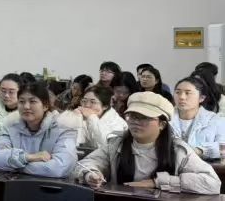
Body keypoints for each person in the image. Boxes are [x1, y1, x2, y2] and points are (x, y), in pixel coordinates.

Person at [74, 92, 220, 194]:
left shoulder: (177, 150)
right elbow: (86, 163)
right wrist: (90, 174)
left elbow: (212, 183)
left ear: (162, 124)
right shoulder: (116, 144)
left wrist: (158, 182)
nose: (135, 122)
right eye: (132, 116)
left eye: (144, 118)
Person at [0, 80, 77, 178]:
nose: (26, 106)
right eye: (21, 102)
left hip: (50, 185)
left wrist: (14, 164)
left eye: (32, 101)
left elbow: (59, 168)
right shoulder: (10, 126)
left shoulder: (63, 128)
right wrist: (28, 157)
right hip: (15, 184)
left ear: (45, 106)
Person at [169, 76, 225, 160]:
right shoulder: (164, 118)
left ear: (201, 98)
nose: (182, 97)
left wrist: (200, 150)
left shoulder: (216, 120)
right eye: (178, 92)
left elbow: (222, 148)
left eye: (188, 93)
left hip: (206, 165)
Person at [58, 85, 127, 149]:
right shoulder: (83, 115)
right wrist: (73, 118)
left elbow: (107, 146)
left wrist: (92, 117)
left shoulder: (117, 122)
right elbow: (72, 142)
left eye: (93, 102)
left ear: (105, 106)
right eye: (84, 101)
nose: (87, 105)